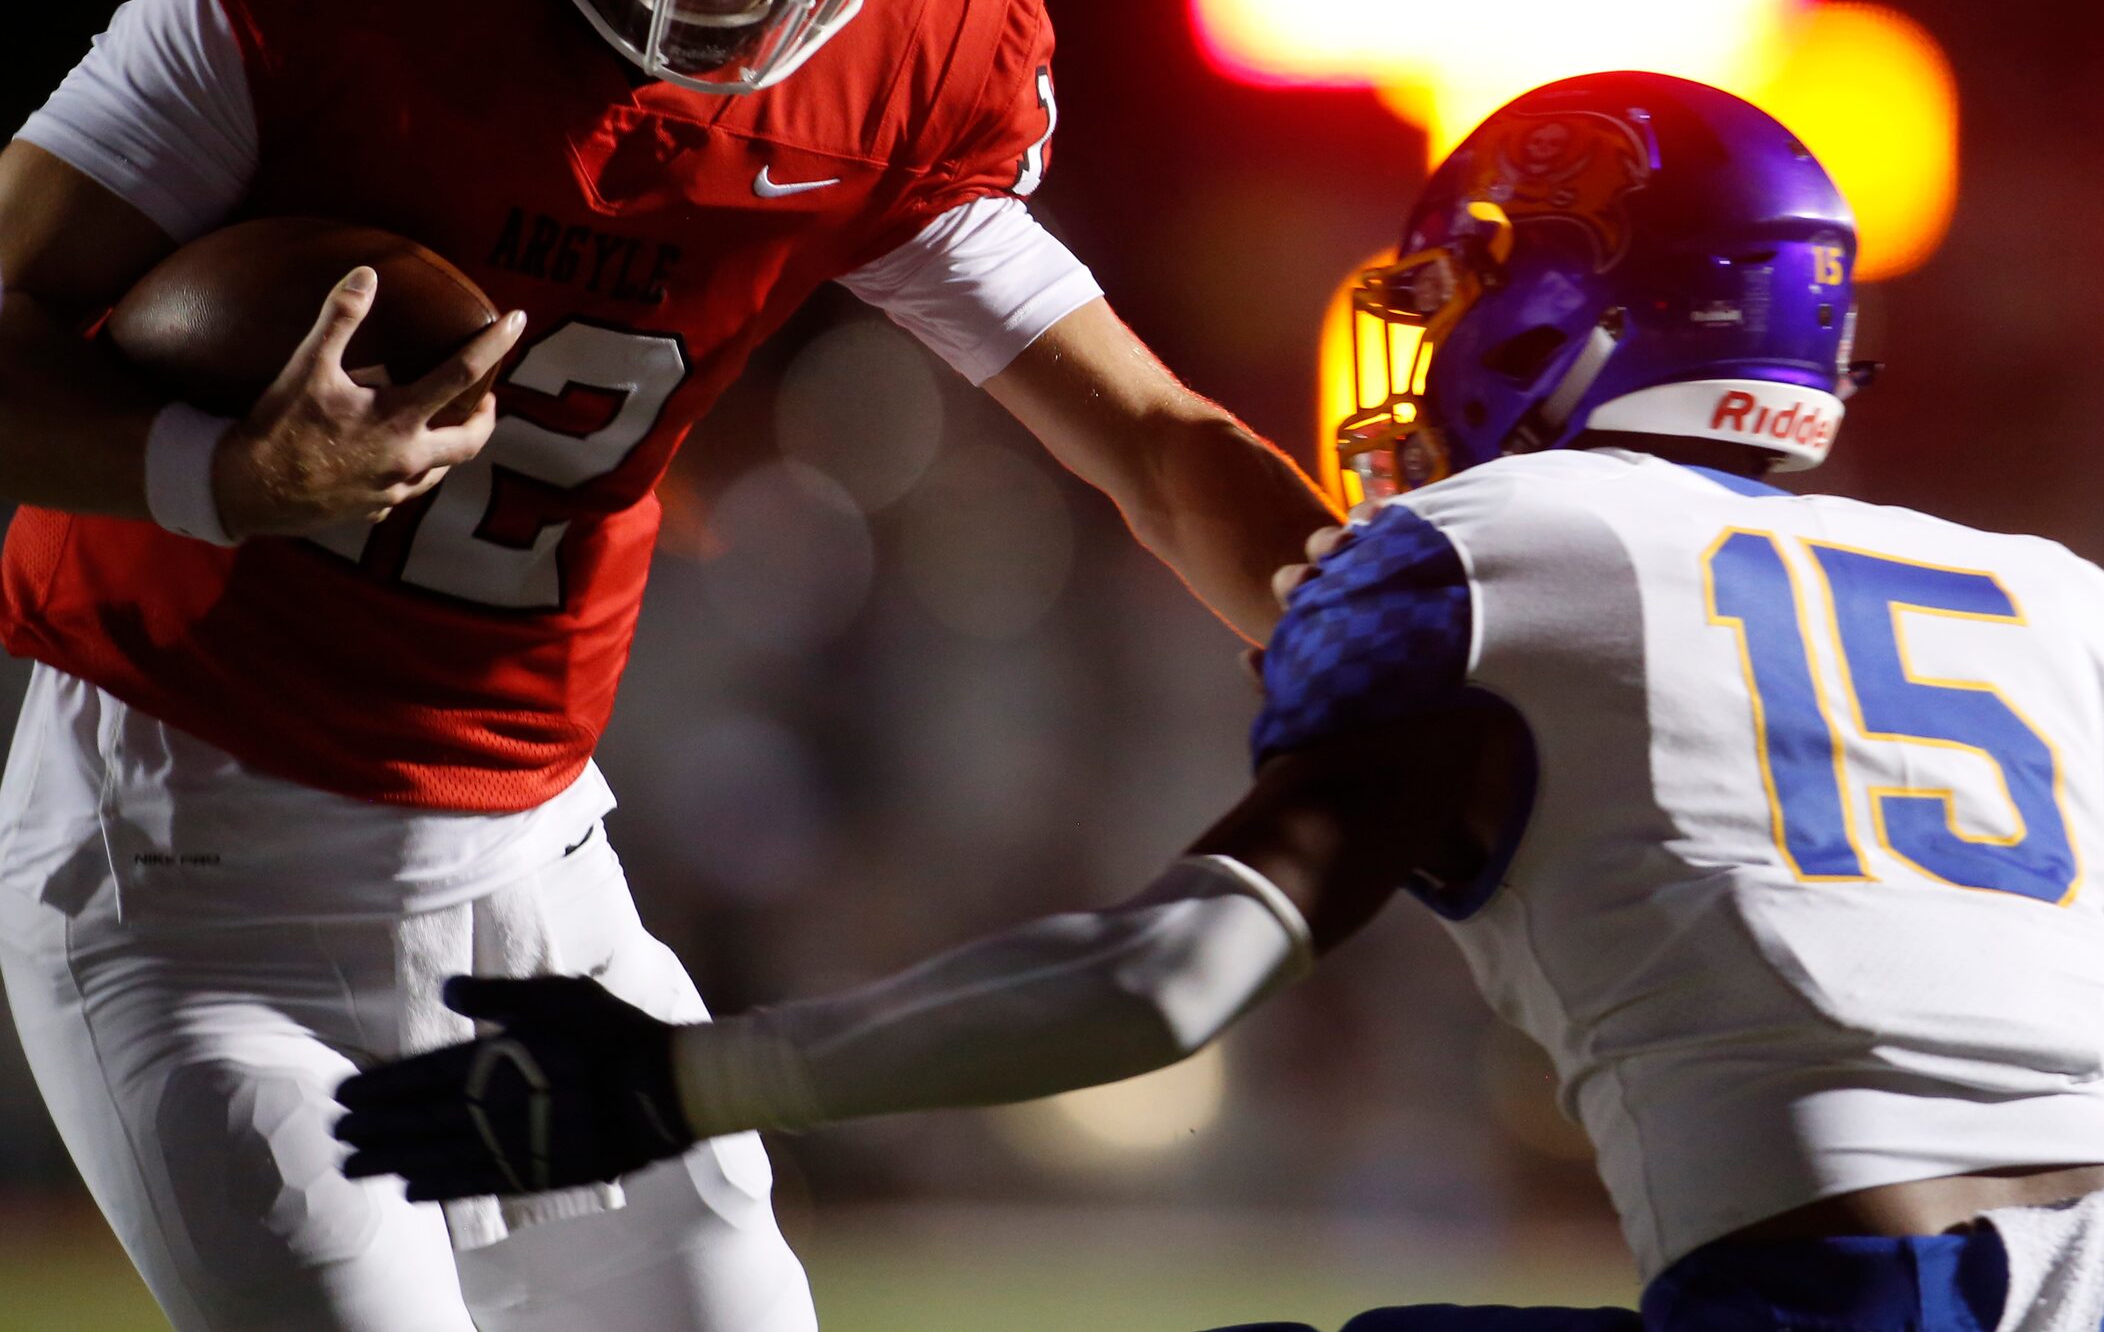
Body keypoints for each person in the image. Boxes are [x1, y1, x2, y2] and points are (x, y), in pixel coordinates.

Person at [0, 0, 1335, 1332]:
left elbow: (1156, 442)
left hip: (538, 879)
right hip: (192, 870)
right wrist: (218, 469)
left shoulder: (888, 84)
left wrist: (1401, 653)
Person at [336, 73, 2104, 1332]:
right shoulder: (2056, 600)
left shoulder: (1501, 550)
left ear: (1565, 311)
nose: (1423, 349)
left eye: (1466, 288)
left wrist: (682, 1075)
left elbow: (1167, 981)